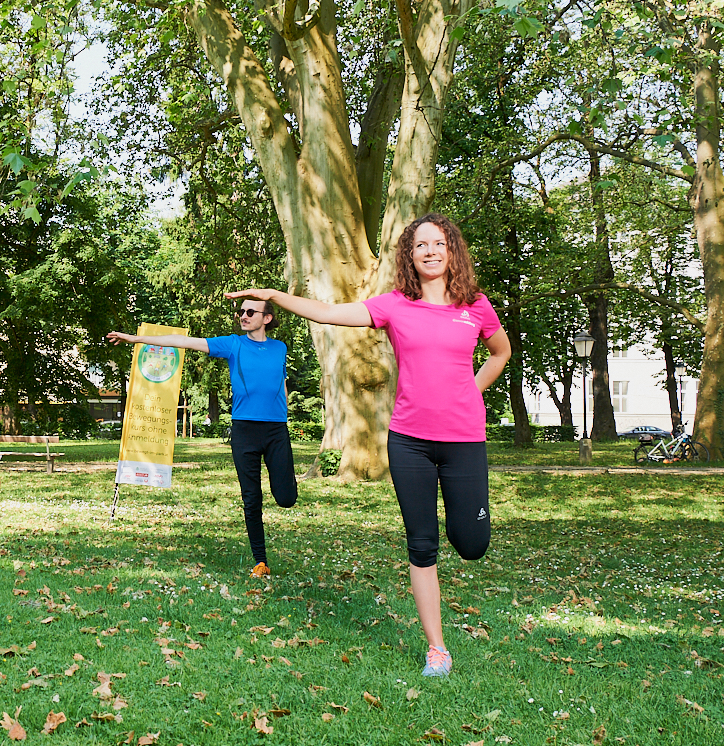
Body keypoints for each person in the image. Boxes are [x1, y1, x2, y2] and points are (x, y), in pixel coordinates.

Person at [229, 213, 511, 678]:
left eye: (438, 243)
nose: (430, 251)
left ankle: (468, 537)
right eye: (420, 245)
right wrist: (276, 296)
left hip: (464, 441)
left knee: (472, 543)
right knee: (422, 544)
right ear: (410, 255)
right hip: (409, 442)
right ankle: (437, 649)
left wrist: (471, 391)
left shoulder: (475, 306)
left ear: (451, 249)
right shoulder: (395, 305)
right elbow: (331, 312)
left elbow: (499, 351)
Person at [107, 298, 297, 578]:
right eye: (240, 311)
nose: (242, 316)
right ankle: (260, 560)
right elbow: (186, 342)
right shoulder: (234, 345)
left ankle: (285, 483)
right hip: (244, 430)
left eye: (249, 312)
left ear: (266, 318)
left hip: (276, 430)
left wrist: (283, 414)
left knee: (286, 498)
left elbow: (280, 384)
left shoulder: (279, 348)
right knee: (251, 497)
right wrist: (136, 338)